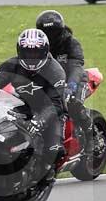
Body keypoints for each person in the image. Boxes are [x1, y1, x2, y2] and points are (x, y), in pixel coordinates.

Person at [0, 29, 66, 183]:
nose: (31, 57)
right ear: (19, 51)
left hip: (50, 111)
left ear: (45, 52)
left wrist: (40, 121)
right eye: (27, 52)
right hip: (22, 105)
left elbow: (56, 103)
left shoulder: (55, 71)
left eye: (36, 53)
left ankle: (45, 178)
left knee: (54, 151)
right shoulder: (11, 65)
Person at [35, 10, 94, 153]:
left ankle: (90, 135)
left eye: (53, 33)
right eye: (46, 33)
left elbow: (76, 66)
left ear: (60, 31)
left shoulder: (71, 43)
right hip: (51, 83)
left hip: (75, 80)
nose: (50, 36)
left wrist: (71, 85)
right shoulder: (38, 45)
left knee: (72, 103)